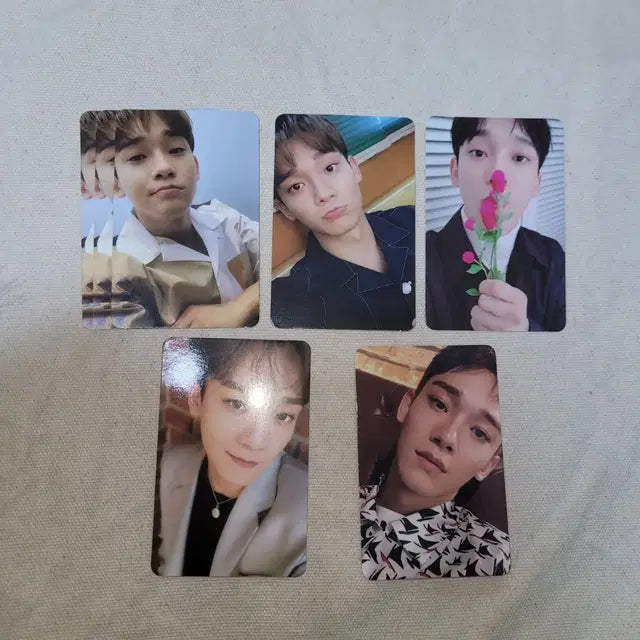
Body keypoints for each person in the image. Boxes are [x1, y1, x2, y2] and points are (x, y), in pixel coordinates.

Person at [156, 340, 309, 577]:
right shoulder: (171, 465)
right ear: (196, 399)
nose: (256, 442)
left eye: (282, 416)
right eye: (237, 404)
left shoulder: (308, 512)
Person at [360, 345, 510, 579]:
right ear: (407, 406)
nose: (447, 437)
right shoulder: (325, 505)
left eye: (479, 433)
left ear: (488, 465)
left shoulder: (493, 559)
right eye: (440, 404)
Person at [112, 109, 259, 328]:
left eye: (176, 150)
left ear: (196, 167)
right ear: (115, 183)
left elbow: (290, 272)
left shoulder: (226, 218)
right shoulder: (116, 277)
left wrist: (237, 308)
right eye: (137, 157)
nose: (164, 168)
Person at [271, 114, 415, 330]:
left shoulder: (411, 220)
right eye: (296, 186)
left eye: (329, 168)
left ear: (354, 169)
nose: (323, 193)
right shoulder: (297, 302)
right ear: (285, 208)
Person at [426, 117, 565, 332]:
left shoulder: (553, 257)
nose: (497, 175)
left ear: (536, 183)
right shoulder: (421, 257)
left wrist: (527, 332)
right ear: (455, 171)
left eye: (519, 158)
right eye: (479, 153)